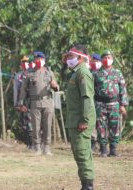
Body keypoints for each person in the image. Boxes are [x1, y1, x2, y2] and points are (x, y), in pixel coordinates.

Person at [65, 44, 95, 190]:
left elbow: (87, 98)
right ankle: (85, 184)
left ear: (80, 57)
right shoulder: (76, 73)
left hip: (81, 121)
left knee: (82, 153)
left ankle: (88, 186)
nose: (68, 59)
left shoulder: (83, 72)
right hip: (75, 120)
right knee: (79, 153)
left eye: (70, 56)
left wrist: (84, 120)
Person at [18, 51, 59, 155]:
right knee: (35, 126)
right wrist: (21, 103)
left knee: (47, 125)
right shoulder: (29, 73)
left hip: (48, 101)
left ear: (43, 60)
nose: (38, 61)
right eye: (36, 59)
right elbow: (23, 89)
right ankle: (37, 147)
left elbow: (56, 87)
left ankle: (47, 147)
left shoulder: (49, 72)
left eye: (40, 59)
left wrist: (55, 86)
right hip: (35, 102)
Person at [94, 50, 128, 157]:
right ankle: (103, 150)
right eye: (104, 57)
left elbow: (123, 89)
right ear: (101, 60)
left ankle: (113, 150)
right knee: (101, 127)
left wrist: (123, 105)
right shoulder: (96, 74)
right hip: (100, 104)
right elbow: (91, 90)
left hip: (114, 104)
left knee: (115, 127)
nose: (106, 60)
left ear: (112, 60)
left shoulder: (117, 73)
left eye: (109, 57)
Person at [13, 55, 33, 149]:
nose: (25, 64)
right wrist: (16, 104)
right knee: (24, 123)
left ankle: (36, 143)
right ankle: (29, 144)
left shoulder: (34, 73)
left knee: (35, 123)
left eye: (27, 62)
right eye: (23, 62)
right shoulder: (18, 75)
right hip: (23, 101)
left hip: (33, 101)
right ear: (21, 64)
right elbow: (15, 90)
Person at [89, 53, 102, 153]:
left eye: (96, 61)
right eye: (93, 61)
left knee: (101, 124)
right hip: (91, 102)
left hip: (102, 103)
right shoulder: (89, 72)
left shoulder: (103, 73)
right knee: (92, 123)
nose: (94, 63)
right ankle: (93, 143)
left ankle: (102, 144)